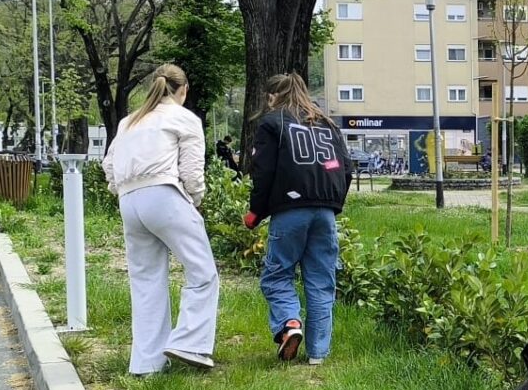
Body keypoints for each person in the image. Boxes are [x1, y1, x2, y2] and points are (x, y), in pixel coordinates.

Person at [103, 64, 220, 374]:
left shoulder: (129, 121)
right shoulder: (184, 118)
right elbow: (191, 172)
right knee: (203, 272)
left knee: (146, 281)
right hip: (164, 193)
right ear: (183, 90)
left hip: (129, 200)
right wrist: (194, 201)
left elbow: (109, 165)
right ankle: (189, 343)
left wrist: (121, 191)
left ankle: (147, 363)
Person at [245, 73, 350, 365]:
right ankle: (318, 353)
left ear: (272, 96)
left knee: (277, 275)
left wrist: (256, 212)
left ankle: (289, 323)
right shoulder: (328, 124)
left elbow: (263, 172)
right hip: (326, 211)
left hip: (289, 210)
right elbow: (346, 168)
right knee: (321, 280)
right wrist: (333, 203)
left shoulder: (272, 123)